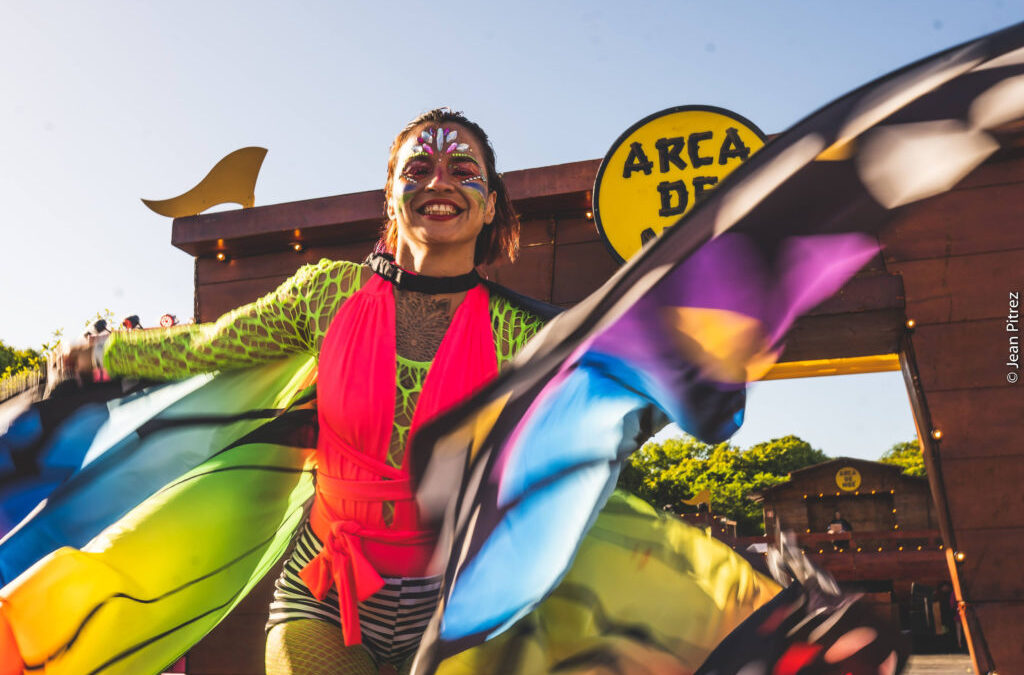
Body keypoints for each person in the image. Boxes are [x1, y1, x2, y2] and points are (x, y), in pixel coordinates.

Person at [58, 108, 548, 674]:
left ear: (489, 204)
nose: (439, 181)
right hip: (325, 590)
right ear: (389, 196)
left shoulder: (526, 332)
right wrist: (100, 353)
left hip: (465, 603)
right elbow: (210, 346)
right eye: (418, 167)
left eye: (463, 168)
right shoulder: (327, 294)